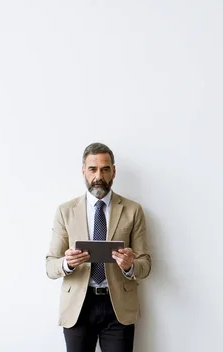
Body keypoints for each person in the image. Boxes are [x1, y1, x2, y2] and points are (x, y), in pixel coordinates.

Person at [45, 142, 151, 352]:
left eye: (105, 169)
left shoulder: (133, 210)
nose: (98, 176)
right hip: (78, 306)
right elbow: (50, 266)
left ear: (114, 171)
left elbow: (145, 264)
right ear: (84, 171)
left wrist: (130, 265)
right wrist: (67, 263)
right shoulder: (66, 211)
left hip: (118, 307)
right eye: (92, 169)